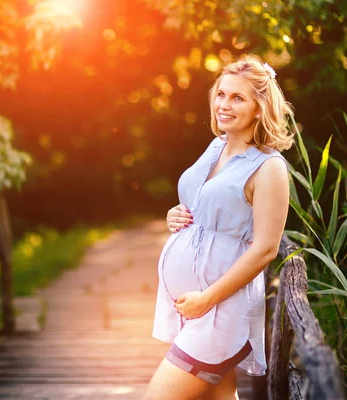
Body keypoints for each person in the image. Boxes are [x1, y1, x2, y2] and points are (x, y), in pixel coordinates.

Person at [144, 54, 294, 400]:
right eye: (222, 94)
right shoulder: (217, 147)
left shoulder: (269, 167)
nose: (224, 104)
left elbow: (266, 249)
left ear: (259, 108)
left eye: (238, 97)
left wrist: (206, 299)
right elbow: (202, 206)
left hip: (219, 311)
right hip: (194, 308)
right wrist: (175, 215)